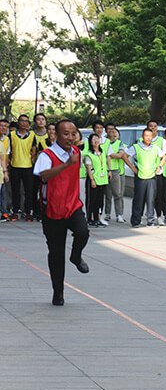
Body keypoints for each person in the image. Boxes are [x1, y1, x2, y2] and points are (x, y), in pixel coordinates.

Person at [33, 120, 90, 306]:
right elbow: (44, 175)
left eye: (73, 133)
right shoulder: (46, 154)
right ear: (56, 135)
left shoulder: (77, 152)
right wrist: (66, 164)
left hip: (73, 206)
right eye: (66, 133)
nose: (70, 137)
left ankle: (76, 255)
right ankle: (58, 293)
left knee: (83, 232)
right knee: (56, 255)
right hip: (52, 210)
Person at [122, 128, 166, 227]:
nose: (148, 138)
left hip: (151, 177)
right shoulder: (136, 147)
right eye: (146, 136)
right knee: (139, 199)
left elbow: (164, 157)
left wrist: (159, 167)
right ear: (142, 136)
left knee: (151, 199)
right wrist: (133, 168)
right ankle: (136, 221)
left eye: (150, 136)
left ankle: (150, 220)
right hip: (141, 176)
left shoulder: (155, 148)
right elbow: (125, 156)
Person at [8, 114, 37, 220]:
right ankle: (15, 211)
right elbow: (9, 150)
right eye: (22, 121)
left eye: (26, 121)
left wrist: (31, 158)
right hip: (15, 165)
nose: (24, 123)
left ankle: (28, 212)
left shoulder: (32, 135)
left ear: (28, 123)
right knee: (15, 191)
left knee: (28, 191)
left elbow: (34, 149)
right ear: (18, 123)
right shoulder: (12, 135)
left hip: (28, 166)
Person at [83, 133, 109, 228]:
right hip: (93, 180)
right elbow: (89, 168)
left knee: (100, 201)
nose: (96, 141)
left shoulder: (102, 153)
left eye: (97, 139)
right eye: (93, 139)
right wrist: (92, 180)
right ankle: (90, 219)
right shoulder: (89, 154)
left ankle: (97, 218)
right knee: (92, 200)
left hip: (102, 180)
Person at [105, 125, 127, 223]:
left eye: (113, 129)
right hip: (104, 170)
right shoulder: (103, 142)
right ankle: (107, 214)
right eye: (109, 129)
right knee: (107, 194)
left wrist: (109, 154)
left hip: (116, 171)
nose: (111, 131)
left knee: (118, 194)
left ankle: (119, 214)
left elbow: (120, 155)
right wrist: (114, 154)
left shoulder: (119, 143)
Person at [0, 119, 10, 221]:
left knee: (3, 192)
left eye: (5, 126)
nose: (3, 128)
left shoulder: (6, 140)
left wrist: (5, 171)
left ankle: (4, 212)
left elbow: (4, 157)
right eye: (1, 126)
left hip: (1, 170)